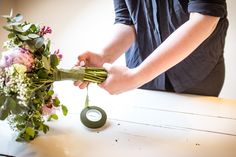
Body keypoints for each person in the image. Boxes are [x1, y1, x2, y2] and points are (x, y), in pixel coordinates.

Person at [74, 0, 228, 97]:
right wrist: (103, 57)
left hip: (197, 76)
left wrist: (135, 77)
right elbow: (127, 21)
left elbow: (204, 18)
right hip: (144, 77)